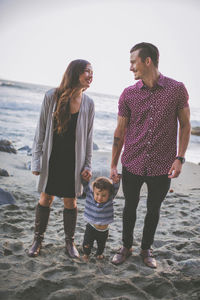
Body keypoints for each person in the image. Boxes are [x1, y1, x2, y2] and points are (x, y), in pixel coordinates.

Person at [110, 42, 191, 268]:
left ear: (147, 61)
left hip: (163, 164)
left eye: (133, 62)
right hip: (133, 161)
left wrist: (180, 158)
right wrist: (113, 164)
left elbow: (185, 126)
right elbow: (120, 131)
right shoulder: (128, 94)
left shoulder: (176, 89)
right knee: (129, 207)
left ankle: (146, 250)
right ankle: (126, 246)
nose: (130, 68)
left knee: (153, 209)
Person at [29, 59, 95, 259]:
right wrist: (36, 160)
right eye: (87, 72)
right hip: (52, 157)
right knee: (46, 198)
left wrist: (88, 165)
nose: (91, 76)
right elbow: (40, 130)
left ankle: (69, 242)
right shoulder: (52, 96)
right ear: (75, 73)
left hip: (74, 160)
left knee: (70, 201)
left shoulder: (89, 103)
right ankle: (37, 240)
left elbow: (89, 138)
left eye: (92, 72)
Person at [82, 176, 120, 260]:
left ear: (109, 194)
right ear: (93, 192)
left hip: (103, 230)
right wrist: (85, 178)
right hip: (91, 227)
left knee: (101, 244)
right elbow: (85, 185)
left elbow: (115, 188)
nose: (99, 197)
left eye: (103, 195)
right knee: (87, 243)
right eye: (97, 194)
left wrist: (116, 181)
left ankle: (99, 253)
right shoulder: (90, 196)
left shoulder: (110, 199)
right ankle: (86, 254)